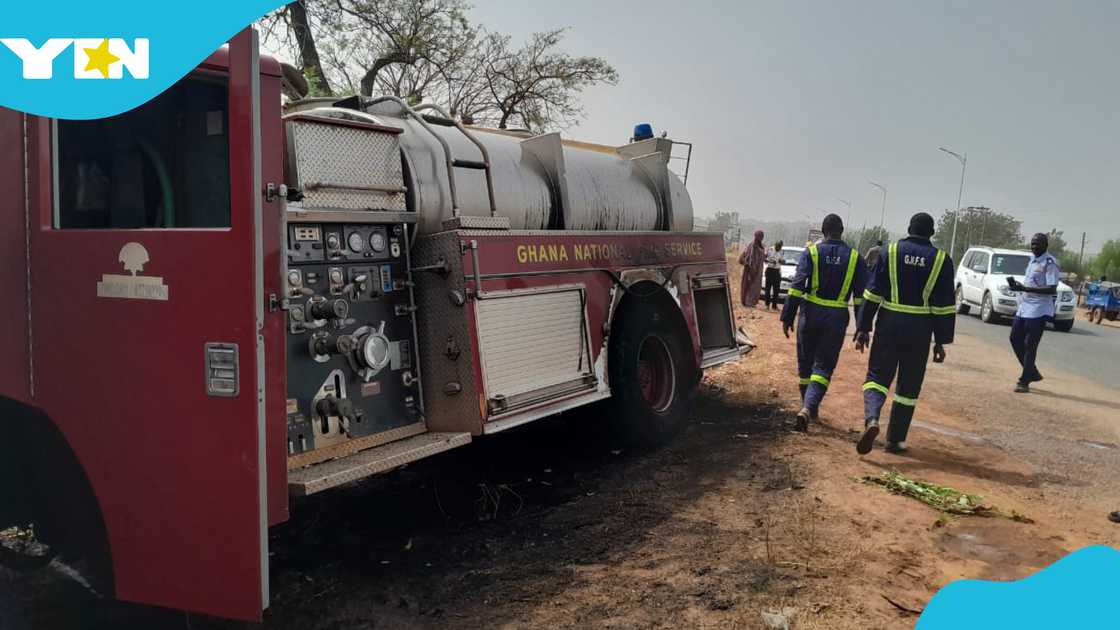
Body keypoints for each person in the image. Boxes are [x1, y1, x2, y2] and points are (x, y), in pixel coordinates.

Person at [853, 213, 956, 455]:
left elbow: (873, 293)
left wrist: (863, 327)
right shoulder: (941, 259)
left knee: (877, 376)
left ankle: (872, 419)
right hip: (920, 328)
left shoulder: (889, 252)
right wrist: (940, 341)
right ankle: (895, 440)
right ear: (931, 233)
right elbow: (944, 305)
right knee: (909, 385)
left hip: (889, 323)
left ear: (909, 228)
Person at [781, 215, 866, 431]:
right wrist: (862, 326)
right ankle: (809, 408)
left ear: (823, 230)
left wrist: (788, 316)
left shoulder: (811, 252)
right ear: (842, 230)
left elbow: (797, 286)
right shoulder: (855, 257)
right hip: (836, 318)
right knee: (823, 366)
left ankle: (807, 407)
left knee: (805, 363)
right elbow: (859, 298)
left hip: (810, 314)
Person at [1007, 233, 1060, 393]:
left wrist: (1025, 288)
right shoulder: (1032, 259)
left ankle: (1024, 381)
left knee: (1030, 345)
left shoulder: (1050, 263)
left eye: (1038, 244)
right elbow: (1032, 282)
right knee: (1014, 338)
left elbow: (1052, 288)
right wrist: (1019, 287)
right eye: (1032, 244)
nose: (1034, 247)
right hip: (1025, 306)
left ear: (1046, 245)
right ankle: (1032, 372)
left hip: (1039, 309)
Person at [739, 230, 766, 308]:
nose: (761, 238)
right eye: (760, 236)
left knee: (756, 287)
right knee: (749, 285)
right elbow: (749, 257)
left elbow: (762, 257)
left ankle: (753, 301)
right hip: (751, 269)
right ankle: (747, 301)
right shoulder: (752, 246)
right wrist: (751, 268)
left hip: (758, 270)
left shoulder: (761, 246)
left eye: (762, 237)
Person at [763, 240, 785, 310]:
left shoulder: (782, 251)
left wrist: (782, 261)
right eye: (778, 247)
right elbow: (764, 258)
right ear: (775, 245)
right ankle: (767, 305)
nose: (779, 248)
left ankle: (774, 305)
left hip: (777, 271)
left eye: (780, 247)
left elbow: (782, 260)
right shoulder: (770, 250)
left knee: (776, 290)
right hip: (770, 270)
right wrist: (770, 261)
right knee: (768, 289)